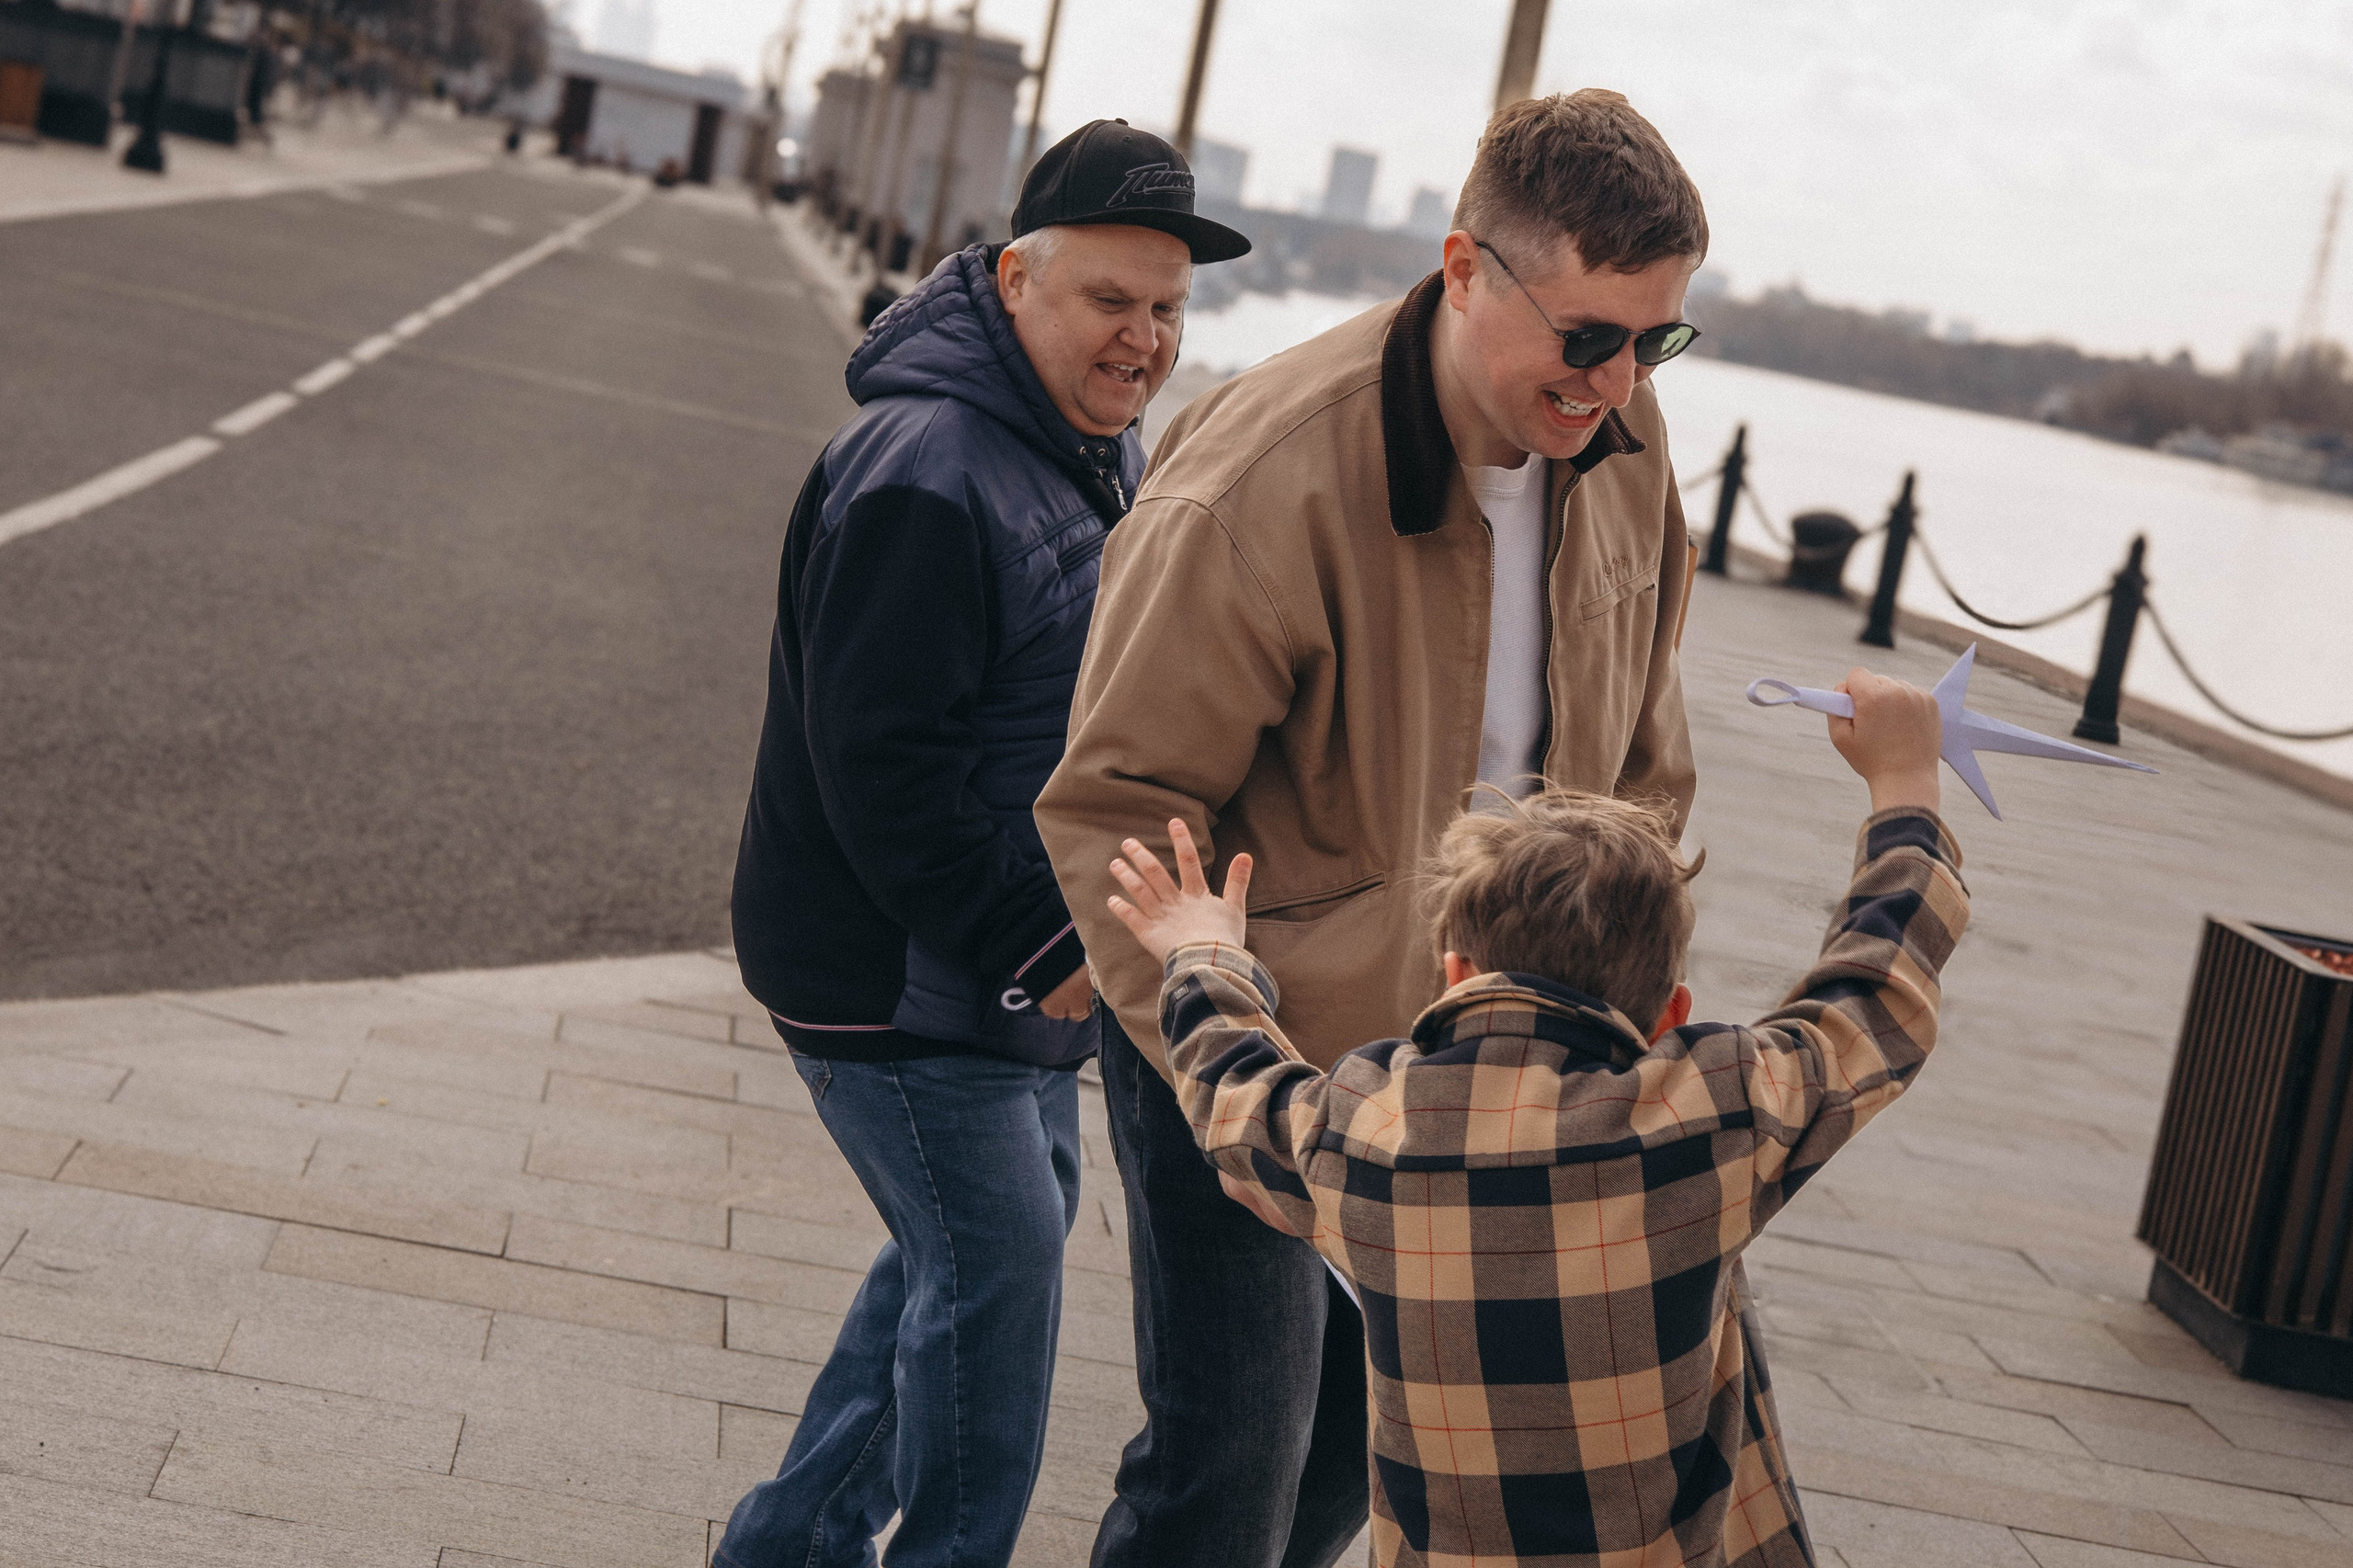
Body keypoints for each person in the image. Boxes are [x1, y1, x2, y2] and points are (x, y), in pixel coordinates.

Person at [1035, 89, 1708, 1565]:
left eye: (1655, 338)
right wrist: (1225, 1048)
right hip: (1246, 1041)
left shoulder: (1629, 445)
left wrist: (1624, 1021)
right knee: (1230, 1470)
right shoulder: (1258, 481)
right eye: (1587, 334)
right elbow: (1116, 808)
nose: (1617, 378)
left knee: (1367, 1456)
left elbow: (1648, 765)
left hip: (1494, 1065)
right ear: (1466, 268)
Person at [1099, 668, 1970, 1568]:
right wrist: (1904, 783)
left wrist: (1202, 953)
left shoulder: (1369, 1127)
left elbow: (1232, 1090)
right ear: (1670, 1012)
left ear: (1453, 971)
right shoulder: (1713, 1115)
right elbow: (1876, 990)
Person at [717, 120, 1249, 1568]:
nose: (1143, 338)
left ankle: (784, 1545)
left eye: (1167, 309)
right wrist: (1046, 935)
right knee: (997, 1275)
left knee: (969, 1253)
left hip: (990, 958)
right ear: (1016, 279)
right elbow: (879, 772)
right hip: (898, 964)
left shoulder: (1078, 442)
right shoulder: (929, 463)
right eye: (1109, 301)